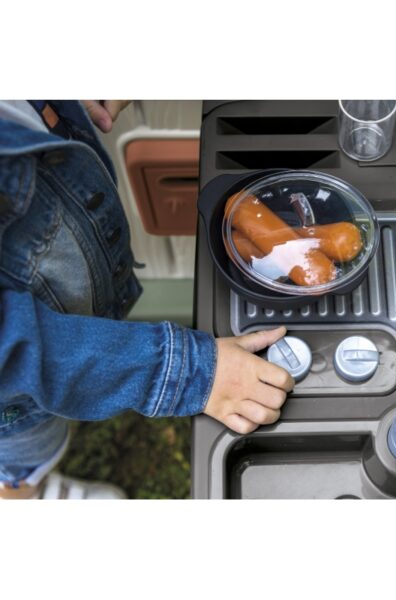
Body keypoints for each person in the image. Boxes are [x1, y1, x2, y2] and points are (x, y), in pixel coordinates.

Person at [0, 100, 294, 499]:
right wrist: (192, 373)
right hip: (10, 402)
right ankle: (21, 493)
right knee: (26, 451)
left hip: (67, 318)